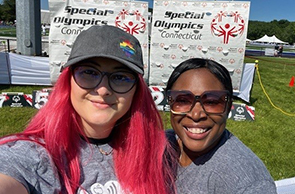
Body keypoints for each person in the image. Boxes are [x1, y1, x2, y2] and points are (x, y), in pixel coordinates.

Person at [0, 25, 176, 194]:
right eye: (89, 73)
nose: (103, 89)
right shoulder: (32, 154)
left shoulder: (156, 151)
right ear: (68, 81)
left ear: (137, 91)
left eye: (120, 77)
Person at [165, 58, 277, 193]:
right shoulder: (158, 146)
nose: (196, 115)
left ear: (228, 107)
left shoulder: (245, 182)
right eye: (182, 100)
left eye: (212, 102)